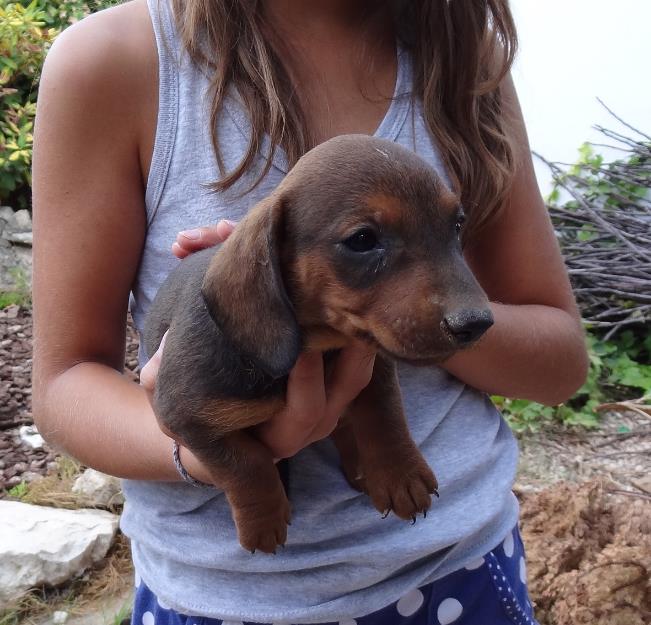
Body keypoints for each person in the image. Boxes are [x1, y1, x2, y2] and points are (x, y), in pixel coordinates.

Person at [31, 0, 588, 624]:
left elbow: (561, 364)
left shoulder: (459, 52)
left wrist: (375, 319)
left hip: (458, 559)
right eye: (361, 241)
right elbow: (64, 384)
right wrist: (221, 453)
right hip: (225, 598)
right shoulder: (111, 61)